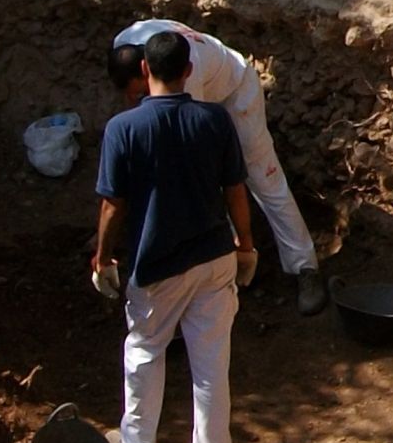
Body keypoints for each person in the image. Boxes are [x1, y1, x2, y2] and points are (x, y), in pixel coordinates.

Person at [93, 26, 254, 443]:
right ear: (188, 70)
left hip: (156, 263)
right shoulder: (214, 121)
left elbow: (112, 205)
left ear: (144, 70)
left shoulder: (123, 128)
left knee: (144, 352)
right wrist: (245, 246)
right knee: (211, 363)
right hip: (214, 258)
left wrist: (103, 258)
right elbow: (235, 190)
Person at [110, 17, 326, 312]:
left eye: (140, 95)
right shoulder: (126, 45)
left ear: (147, 70)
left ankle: (304, 267)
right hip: (200, 93)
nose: (134, 103)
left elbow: (197, 156)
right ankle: (220, 273)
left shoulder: (187, 72)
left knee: (264, 177)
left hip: (234, 91)